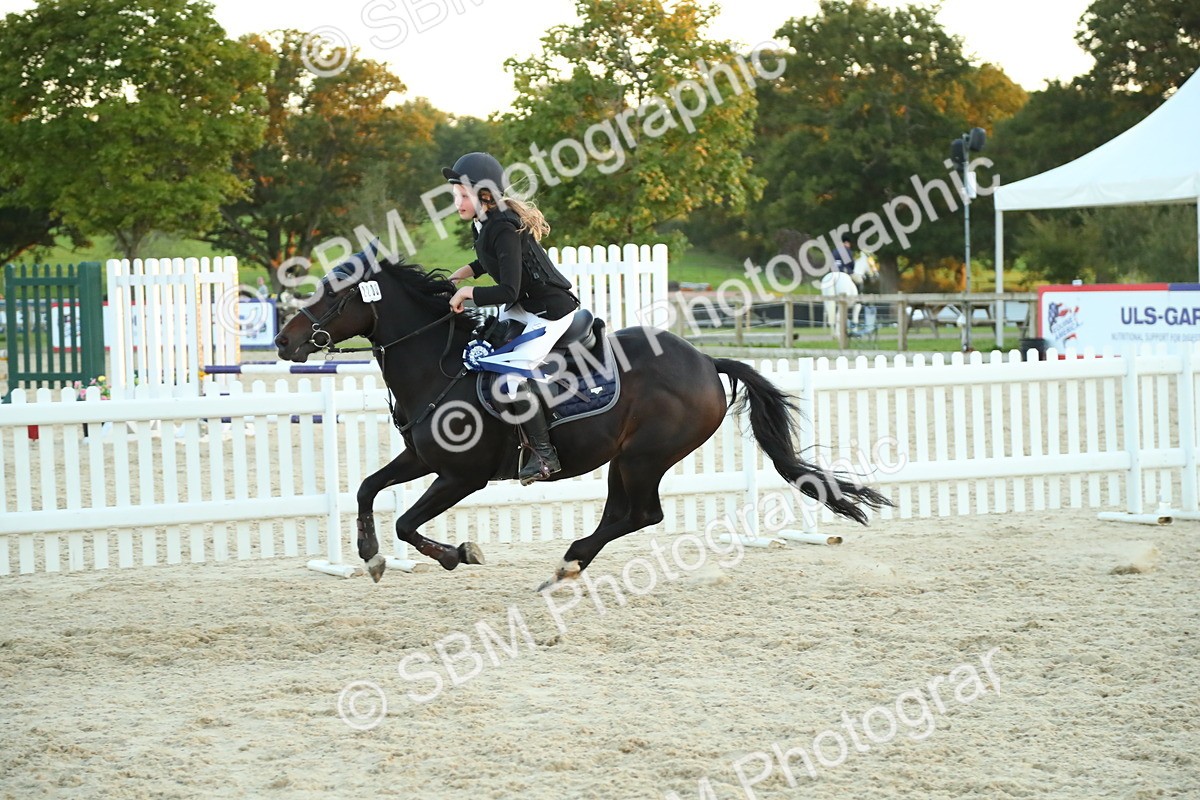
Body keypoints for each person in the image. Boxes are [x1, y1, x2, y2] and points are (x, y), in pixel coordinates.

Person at [443, 152, 581, 485]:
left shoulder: (501, 225)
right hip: (525, 306)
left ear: (485, 195)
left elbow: (507, 289)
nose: (457, 201)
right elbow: (491, 259)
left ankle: (545, 455)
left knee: (509, 380)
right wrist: (464, 273)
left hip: (548, 313)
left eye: (463, 194)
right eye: (455, 194)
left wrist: (467, 293)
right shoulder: (486, 222)